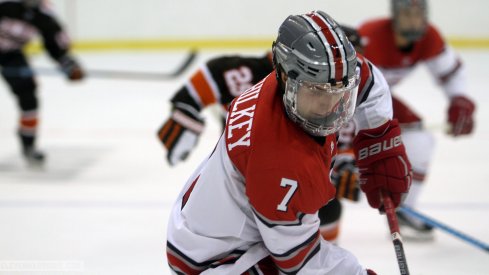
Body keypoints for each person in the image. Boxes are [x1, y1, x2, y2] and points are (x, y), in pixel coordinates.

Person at [166, 10, 412, 274]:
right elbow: (302, 264)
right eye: (316, 91)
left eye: (339, 92)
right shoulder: (279, 162)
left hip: (215, 223)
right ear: (285, 77)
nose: (329, 106)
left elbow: (369, 80)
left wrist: (380, 142)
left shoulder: (317, 74)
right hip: (214, 261)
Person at [356, 0, 476, 240]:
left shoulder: (429, 37)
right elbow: (350, 83)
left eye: (419, 14)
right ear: (394, 17)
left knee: (420, 140)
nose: (414, 20)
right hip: (348, 101)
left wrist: (460, 100)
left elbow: (451, 72)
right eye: (407, 14)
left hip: (378, 99)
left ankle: (405, 210)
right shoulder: (370, 35)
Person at [0, 0, 84, 166]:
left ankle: (28, 145)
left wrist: (69, 66)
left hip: (11, 55)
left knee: (29, 97)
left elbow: (55, 44)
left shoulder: (43, 13)